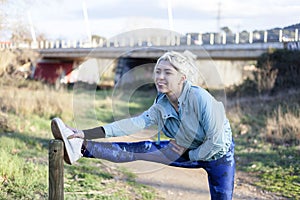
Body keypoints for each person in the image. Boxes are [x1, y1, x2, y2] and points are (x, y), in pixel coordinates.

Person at [51, 50, 235, 199]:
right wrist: (85, 133)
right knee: (141, 148)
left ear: (182, 78)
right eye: (157, 71)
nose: (160, 77)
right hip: (186, 148)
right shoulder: (162, 104)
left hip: (219, 155)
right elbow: (133, 124)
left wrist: (192, 155)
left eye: (168, 72)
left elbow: (217, 142)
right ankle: (81, 148)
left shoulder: (201, 98)